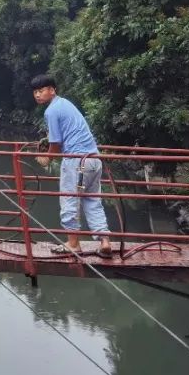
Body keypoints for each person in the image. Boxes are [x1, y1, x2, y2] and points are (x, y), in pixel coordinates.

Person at [31, 74, 112, 258]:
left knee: (69, 200)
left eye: (41, 90)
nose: (37, 95)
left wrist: (47, 159)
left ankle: (73, 244)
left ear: (52, 90)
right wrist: (49, 142)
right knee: (92, 201)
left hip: (76, 161)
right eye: (35, 92)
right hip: (93, 159)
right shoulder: (65, 104)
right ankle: (105, 242)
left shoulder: (51, 111)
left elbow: (57, 143)